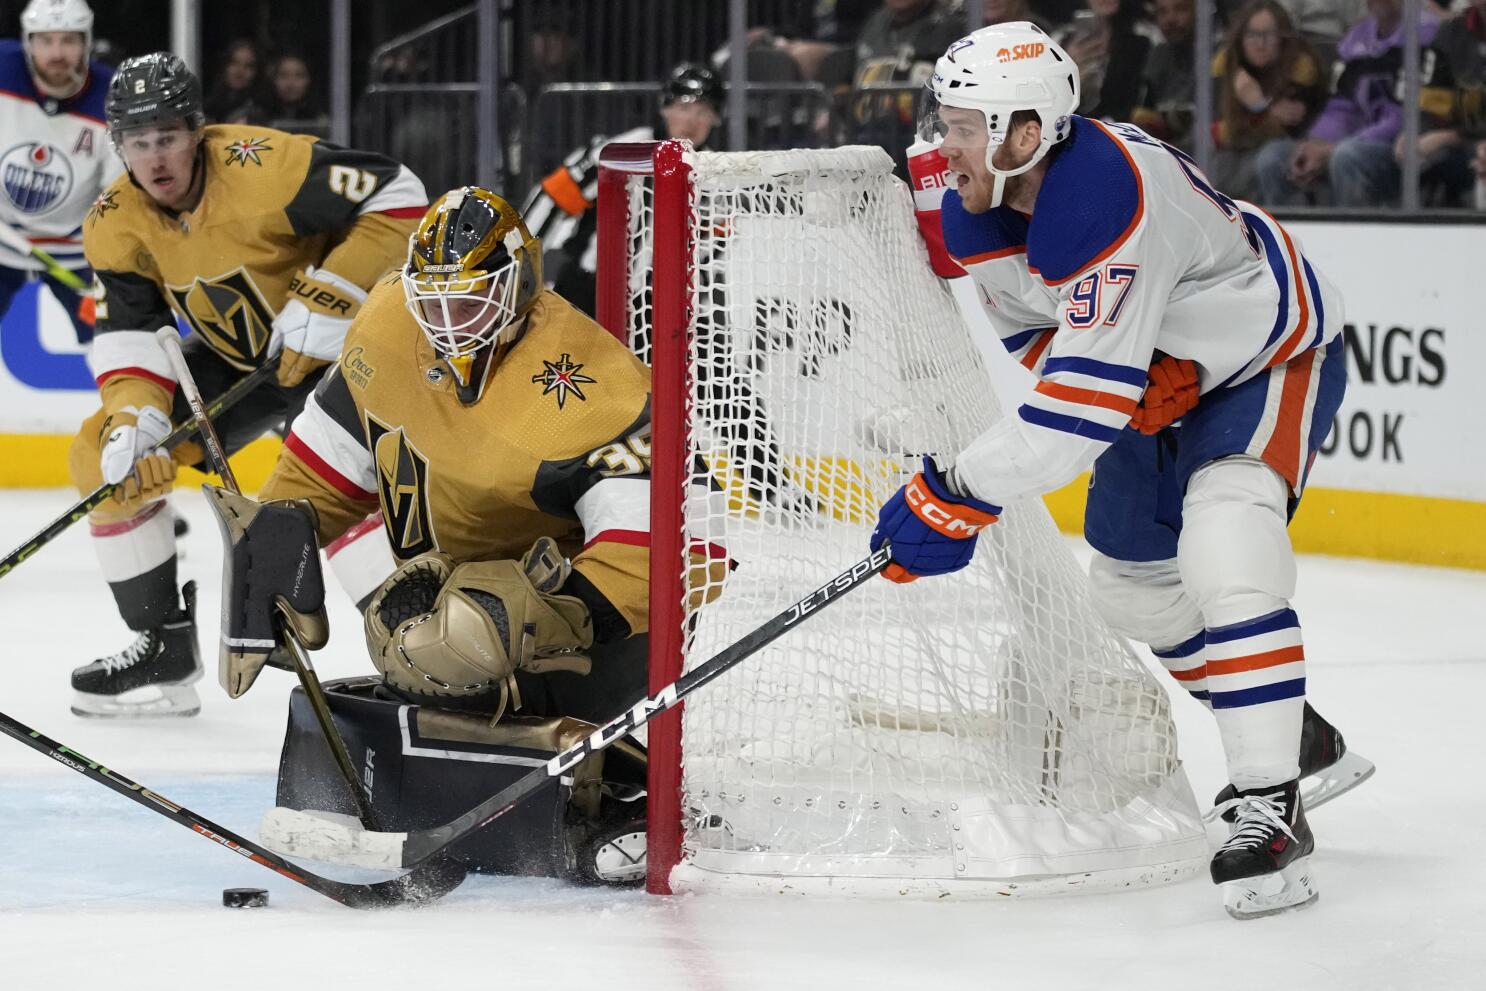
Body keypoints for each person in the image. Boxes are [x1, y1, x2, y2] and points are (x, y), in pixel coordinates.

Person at [878, 22, 1372, 918]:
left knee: (1229, 535)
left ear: (1024, 133)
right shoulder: (979, 206)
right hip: (1162, 376)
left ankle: (1270, 798)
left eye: (959, 124)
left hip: (1266, 355)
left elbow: (1072, 419)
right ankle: (1298, 732)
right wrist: (1129, 377)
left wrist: (954, 492)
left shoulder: (1104, 193)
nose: (941, 144)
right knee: (1134, 591)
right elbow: (1037, 335)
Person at [67, 51, 426, 718]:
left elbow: (400, 193)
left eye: (169, 137)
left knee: (338, 497)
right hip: (246, 367)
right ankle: (164, 646)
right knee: (99, 455)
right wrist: (135, 419)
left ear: (197, 131)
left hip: (340, 358)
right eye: (139, 143)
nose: (157, 159)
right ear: (119, 145)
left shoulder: (266, 167)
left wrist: (336, 293)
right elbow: (133, 335)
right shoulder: (113, 220)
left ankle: (426, 659)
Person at [522, 62, 725, 317]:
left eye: (703, 112)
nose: (692, 120)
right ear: (665, 109)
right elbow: (552, 198)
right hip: (590, 292)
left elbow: (709, 250)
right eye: (683, 107)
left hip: (655, 307)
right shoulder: (622, 151)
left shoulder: (715, 172)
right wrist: (518, 262)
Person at [0, 0, 118, 347]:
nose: (56, 53)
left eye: (69, 40)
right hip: (3, 237)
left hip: (75, 249)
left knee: (113, 345)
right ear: (28, 42)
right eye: (45, 41)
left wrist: (108, 255)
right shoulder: (2, 69)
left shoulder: (111, 96)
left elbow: (117, 193)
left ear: (87, 42)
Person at [1253, 0, 1439, 206]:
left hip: (1407, 147)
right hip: (1353, 143)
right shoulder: (1358, 37)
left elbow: (1403, 117)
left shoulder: (1426, 34)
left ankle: (1355, 236)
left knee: (1347, 157)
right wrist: (1316, 144)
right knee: (1274, 157)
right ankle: (1284, 237)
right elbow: (1341, 104)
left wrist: (1331, 149)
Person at [1209, 0, 1326, 201]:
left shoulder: (1301, 70)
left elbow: (1285, 131)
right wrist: (1267, 112)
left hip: (1296, 150)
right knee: (1217, 165)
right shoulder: (1228, 68)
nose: (1260, 43)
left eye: (1268, 35)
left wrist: (1257, 104)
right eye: (1252, 35)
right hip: (1235, 155)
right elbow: (1216, 133)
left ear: (1283, 38)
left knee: (1266, 160)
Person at [1397, 0, 1486, 206]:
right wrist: (1415, 131)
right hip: (1464, 145)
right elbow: (1433, 101)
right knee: (1420, 157)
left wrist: (1450, 136)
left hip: (1464, 140)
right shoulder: (1452, 32)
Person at [1054, 0, 1159, 123]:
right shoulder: (1060, 42)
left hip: (1119, 131)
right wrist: (1067, 72)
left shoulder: (1143, 40)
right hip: (1072, 128)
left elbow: (1140, 99)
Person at [1131, 0, 1198, 149]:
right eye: (1162, 12)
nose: (1171, 19)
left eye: (1180, 9)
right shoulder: (1159, 55)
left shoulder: (1218, 56)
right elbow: (1142, 120)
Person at [203, 38, 265, 125]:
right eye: (234, 63)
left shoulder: (260, 109)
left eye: (248, 66)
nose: (240, 71)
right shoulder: (207, 106)